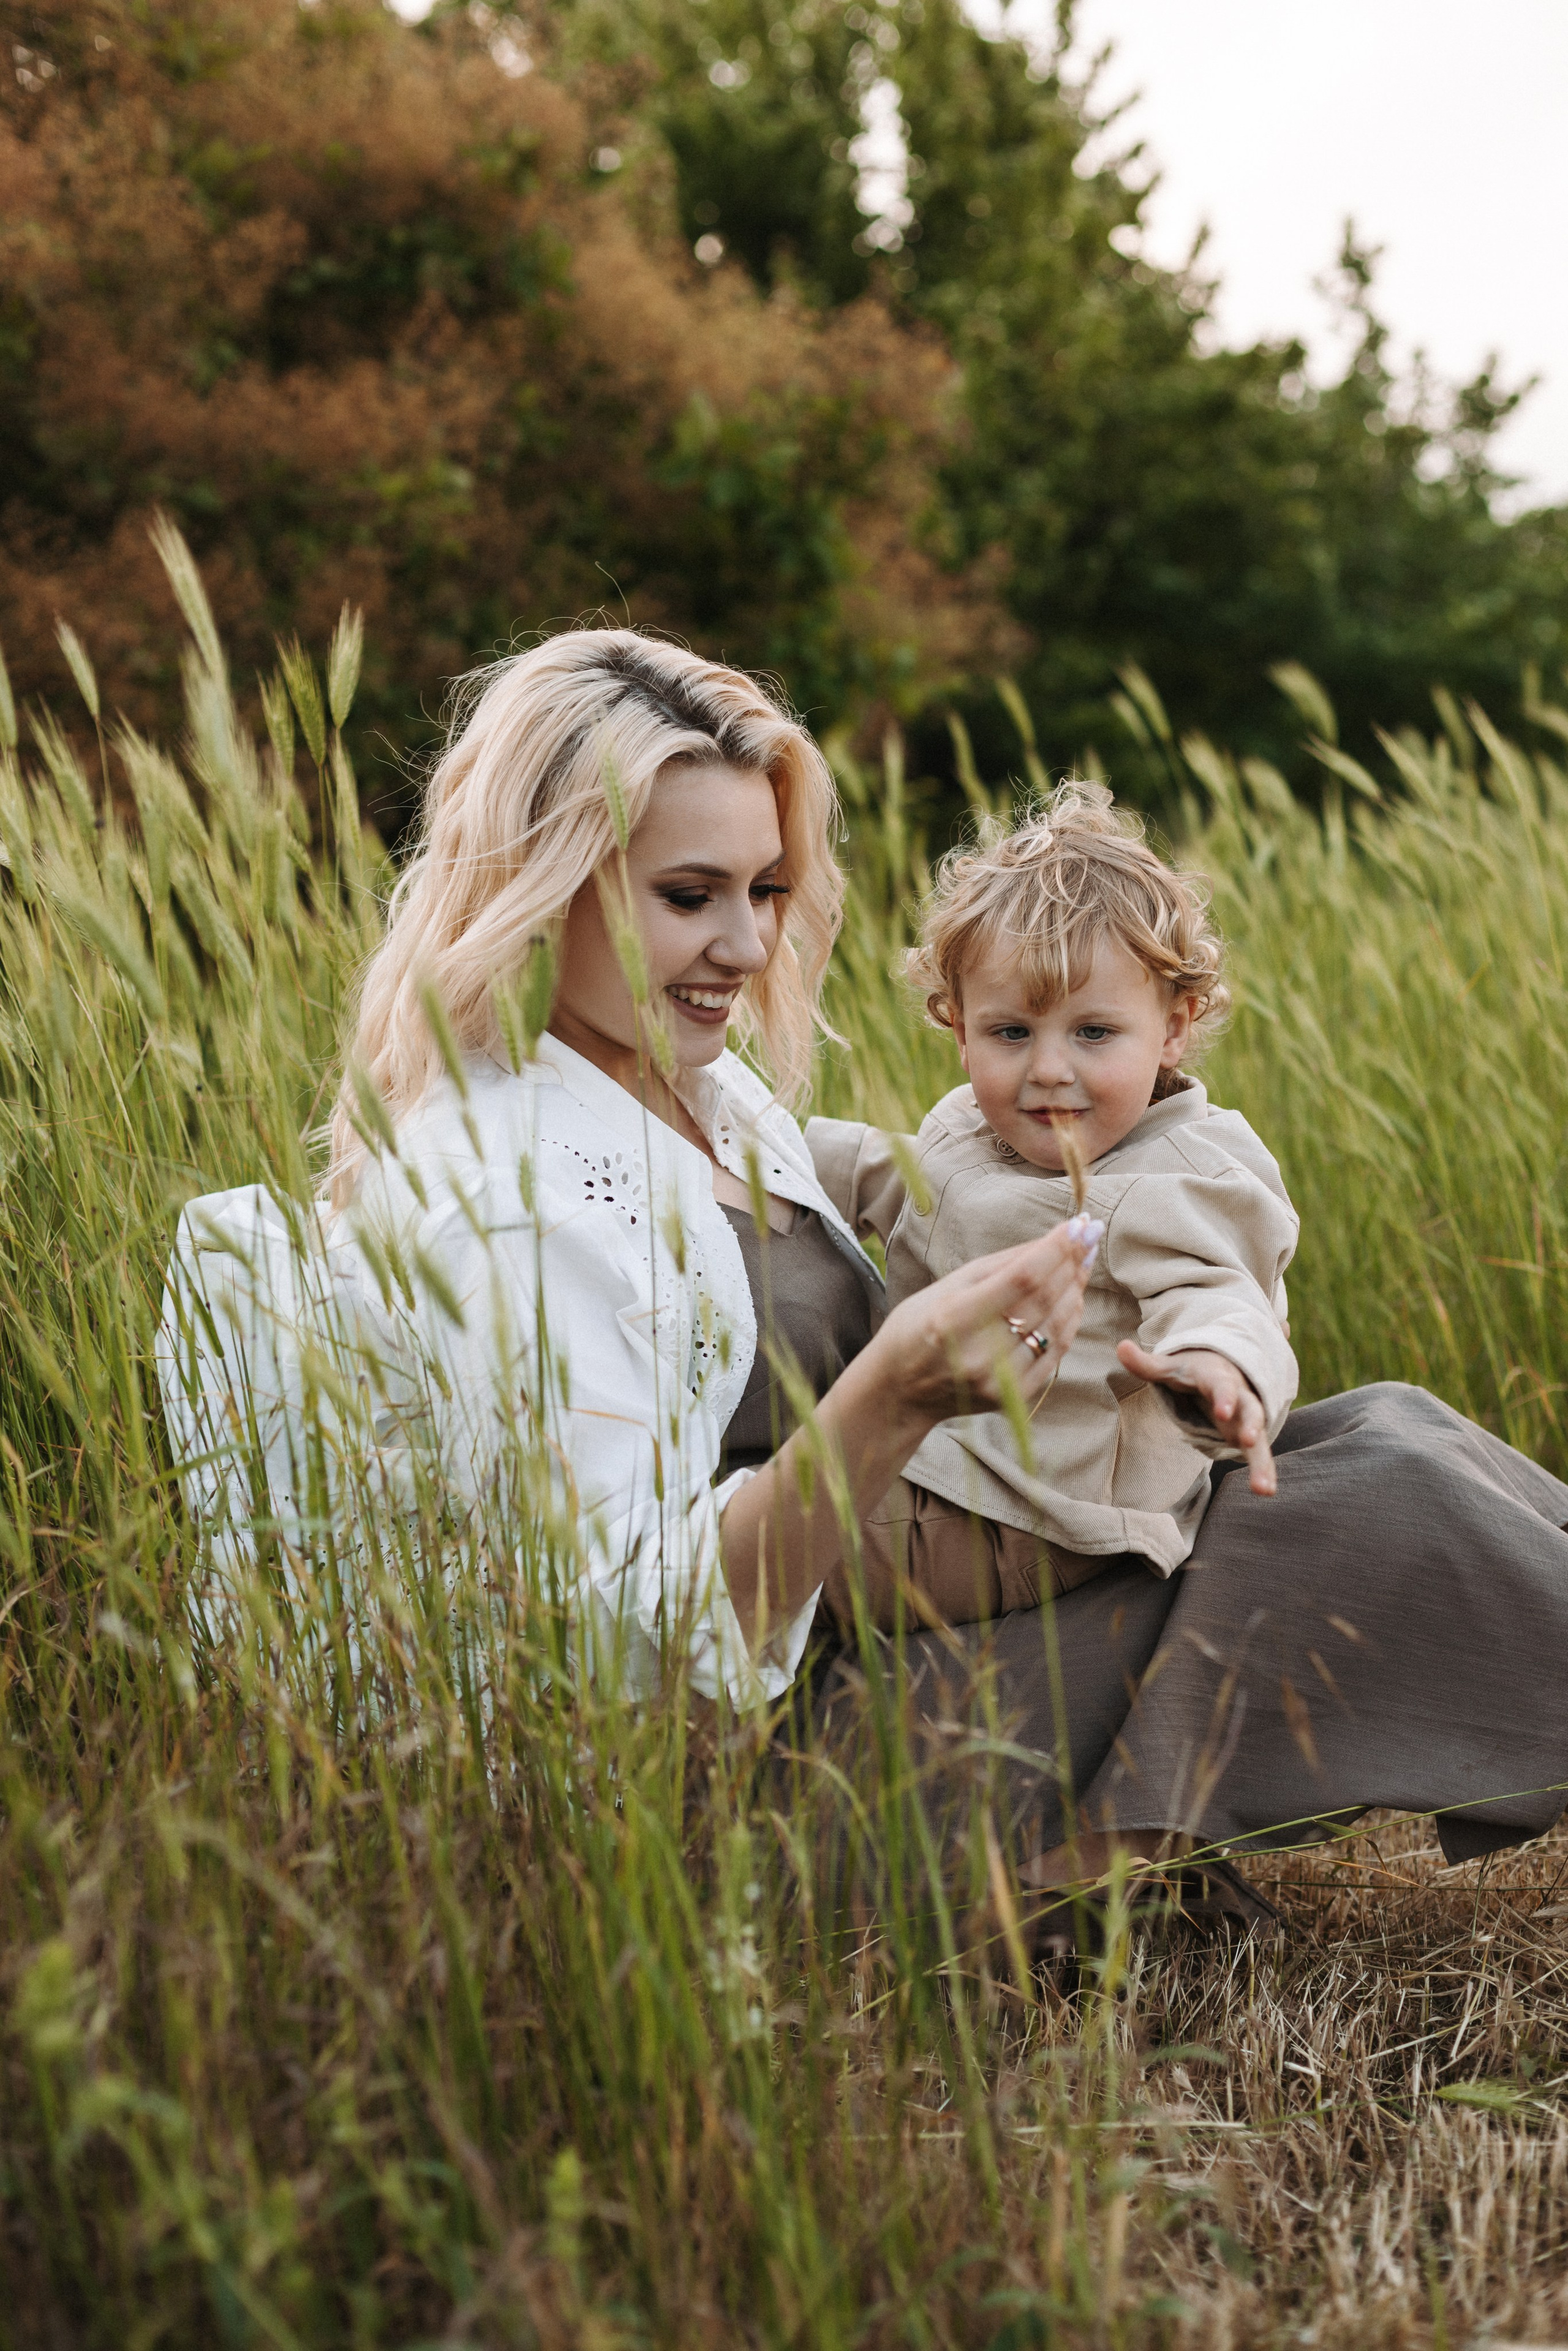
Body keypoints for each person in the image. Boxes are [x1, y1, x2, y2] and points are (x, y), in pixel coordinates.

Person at [158, 630, 1568, 1916]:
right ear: (542, 884)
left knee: (1382, 1430)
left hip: (901, 1628)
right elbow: (623, 1656)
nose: (748, 944)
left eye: (766, 889)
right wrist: (890, 1393)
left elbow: (909, 1193)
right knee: (1378, 1511)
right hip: (762, 1778)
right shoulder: (511, 1196)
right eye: (688, 895)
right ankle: (1061, 1858)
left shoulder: (698, 1093)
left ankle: (1132, 1835)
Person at [805, 787, 1298, 1634]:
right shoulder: (973, 1128)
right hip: (937, 1457)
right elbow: (899, 1174)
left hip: (1028, 1515)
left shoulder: (1173, 1177)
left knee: (773, 1565)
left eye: (1094, 1033)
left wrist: (1217, 1367)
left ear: (1174, 1028)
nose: (1049, 1069)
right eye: (1011, 1033)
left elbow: (1221, 1294)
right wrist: (744, 1146)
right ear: (959, 1028)